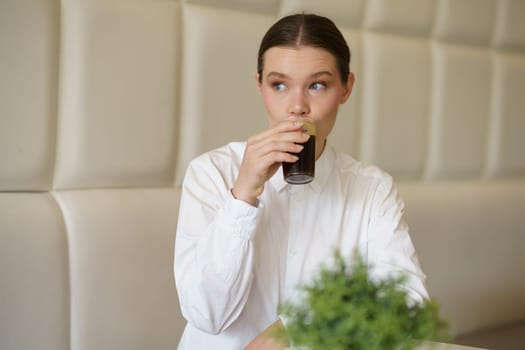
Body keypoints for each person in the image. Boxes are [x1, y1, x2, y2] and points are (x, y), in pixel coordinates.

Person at [174, 13, 429, 350]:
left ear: (346, 88)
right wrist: (243, 196)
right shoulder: (211, 173)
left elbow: (409, 305)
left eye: (317, 85)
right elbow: (206, 314)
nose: (297, 107)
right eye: (279, 85)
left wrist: (297, 327)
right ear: (259, 86)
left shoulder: (371, 189)